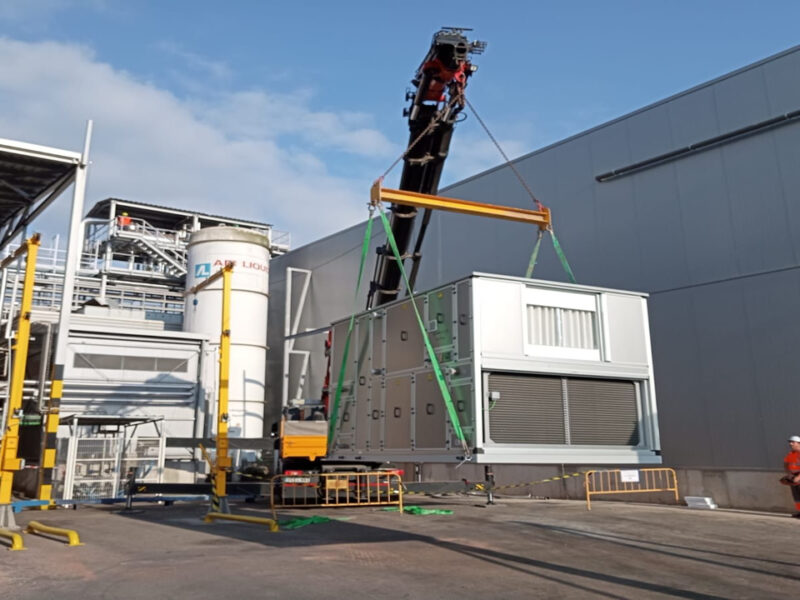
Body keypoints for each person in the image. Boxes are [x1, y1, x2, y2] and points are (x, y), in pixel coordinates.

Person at [783, 435, 800, 518]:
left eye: (793, 442)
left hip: (799, 476)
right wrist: (789, 474)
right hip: (793, 476)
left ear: (798, 443)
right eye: (790, 442)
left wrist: (798, 477)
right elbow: (786, 463)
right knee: (796, 496)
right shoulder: (791, 454)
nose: (790, 444)